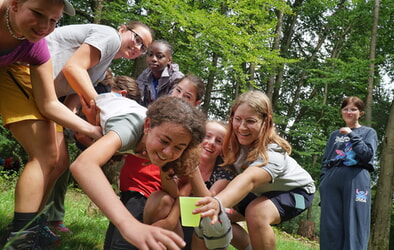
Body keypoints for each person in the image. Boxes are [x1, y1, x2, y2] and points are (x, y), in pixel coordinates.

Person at [0, 0, 103, 249]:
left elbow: (48, 104)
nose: (44, 26)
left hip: (9, 72)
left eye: (53, 21)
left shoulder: (37, 49)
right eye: (37, 13)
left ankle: (22, 238)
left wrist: (92, 130)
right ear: (14, 4)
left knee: (49, 155)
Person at [41, 21, 153, 234]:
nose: (138, 47)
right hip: (26, 74)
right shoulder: (109, 36)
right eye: (137, 38)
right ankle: (27, 226)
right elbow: (73, 68)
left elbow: (73, 103)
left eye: (143, 47)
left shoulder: (103, 68)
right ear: (123, 28)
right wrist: (104, 109)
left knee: (59, 161)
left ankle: (36, 223)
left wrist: (91, 128)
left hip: (46, 95)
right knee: (51, 159)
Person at [70, 95, 206, 250]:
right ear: (148, 125)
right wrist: (128, 224)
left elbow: (200, 192)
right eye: (164, 141)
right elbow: (83, 165)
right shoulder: (129, 127)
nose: (168, 152)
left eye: (178, 147)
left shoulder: (173, 143)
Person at [193, 90, 316, 250]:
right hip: (261, 192)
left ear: (266, 122)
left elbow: (249, 180)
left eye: (250, 121)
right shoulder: (232, 144)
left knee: (256, 213)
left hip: (297, 192)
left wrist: (218, 202)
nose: (242, 127)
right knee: (212, 216)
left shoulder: (273, 154)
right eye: (237, 119)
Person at [319, 96, 378, 250]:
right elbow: (326, 161)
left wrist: (351, 135)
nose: (349, 112)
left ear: (361, 113)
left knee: (355, 224)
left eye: (353, 109)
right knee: (330, 226)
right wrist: (323, 183)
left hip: (356, 178)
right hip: (332, 180)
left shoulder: (368, 132)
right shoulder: (334, 135)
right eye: (346, 109)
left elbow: (367, 155)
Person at [137, 40, 184, 107]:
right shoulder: (144, 76)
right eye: (150, 55)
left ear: (169, 60)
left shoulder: (177, 79)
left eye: (159, 56)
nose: (153, 59)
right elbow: (137, 97)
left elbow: (174, 106)